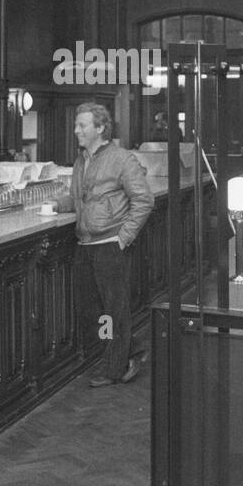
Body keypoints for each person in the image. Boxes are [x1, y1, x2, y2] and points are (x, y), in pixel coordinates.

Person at [53, 102, 154, 387]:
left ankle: (114, 368)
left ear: (100, 128)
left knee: (113, 309)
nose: (76, 131)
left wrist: (123, 239)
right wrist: (54, 205)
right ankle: (129, 350)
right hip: (85, 243)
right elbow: (77, 199)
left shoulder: (122, 159)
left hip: (110, 244)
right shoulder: (81, 160)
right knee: (93, 311)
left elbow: (144, 201)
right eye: (76, 125)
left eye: (82, 125)